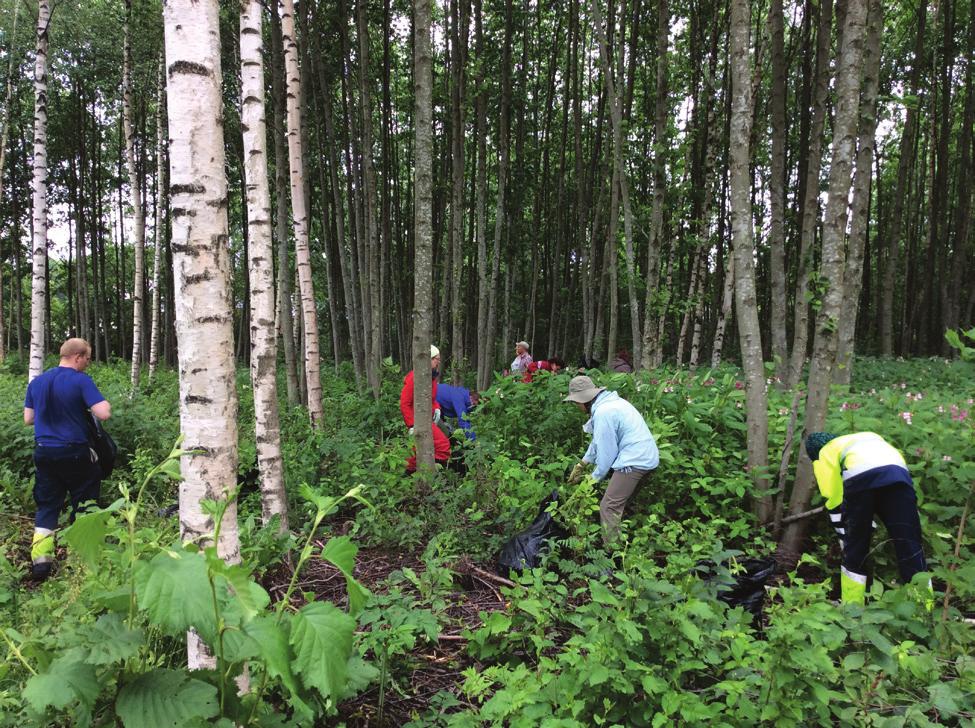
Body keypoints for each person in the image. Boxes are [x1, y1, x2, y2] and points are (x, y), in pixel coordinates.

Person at [806, 431, 930, 605]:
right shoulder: (865, 437)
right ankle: (924, 610)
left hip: (861, 478)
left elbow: (833, 498)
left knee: (855, 549)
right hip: (898, 475)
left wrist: (846, 535)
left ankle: (852, 608)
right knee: (910, 544)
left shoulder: (824, 452)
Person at [23, 338, 112, 580]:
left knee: (47, 505)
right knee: (84, 503)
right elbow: (103, 413)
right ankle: (80, 561)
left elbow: (28, 419)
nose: (88, 363)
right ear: (78, 356)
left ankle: (41, 563)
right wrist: (101, 404)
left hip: (44, 452)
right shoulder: (80, 380)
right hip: (74, 452)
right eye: (88, 359)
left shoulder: (38, 382)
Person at [564, 375, 659, 544]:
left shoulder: (603, 412)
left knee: (608, 507)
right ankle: (629, 541)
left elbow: (606, 455)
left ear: (582, 400)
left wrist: (591, 481)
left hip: (634, 461)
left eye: (575, 402)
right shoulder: (610, 403)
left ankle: (612, 556)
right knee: (621, 503)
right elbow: (598, 441)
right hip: (645, 457)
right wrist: (583, 463)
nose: (576, 406)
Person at [400, 345, 451, 472]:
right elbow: (404, 403)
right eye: (435, 359)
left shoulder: (431, 377)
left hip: (427, 419)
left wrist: (437, 408)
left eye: (439, 359)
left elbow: (431, 400)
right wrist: (412, 425)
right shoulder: (414, 377)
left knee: (420, 450)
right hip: (418, 421)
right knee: (441, 447)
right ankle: (415, 474)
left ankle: (423, 473)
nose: (438, 362)